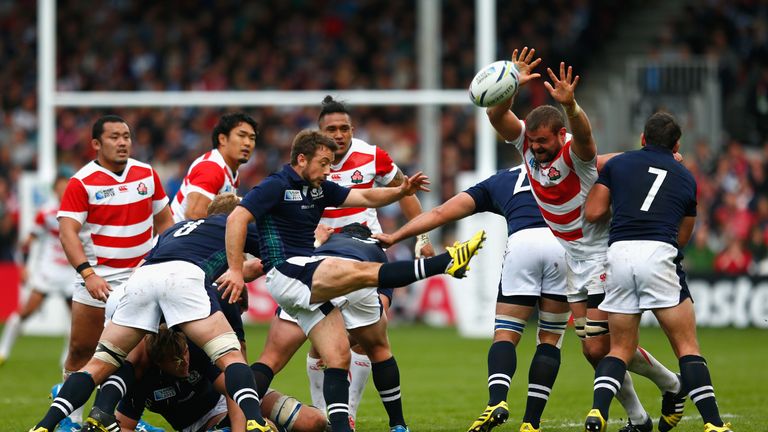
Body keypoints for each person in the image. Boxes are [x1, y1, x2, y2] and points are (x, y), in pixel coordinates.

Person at [221, 129, 486, 432]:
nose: (328, 170)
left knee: (338, 356)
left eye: (331, 163)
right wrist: (234, 270)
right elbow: (236, 218)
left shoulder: (320, 187)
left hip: (306, 277)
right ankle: (447, 262)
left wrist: (401, 191)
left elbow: (365, 195)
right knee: (362, 274)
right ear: (302, 159)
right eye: (323, 163)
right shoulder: (276, 185)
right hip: (287, 271)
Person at [485, 48, 683, 432]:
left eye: (544, 141)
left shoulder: (578, 155)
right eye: (534, 141)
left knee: (603, 347)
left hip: (604, 258)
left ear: (562, 135)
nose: (538, 148)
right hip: (573, 259)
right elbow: (496, 115)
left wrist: (572, 106)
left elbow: (587, 136)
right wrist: (508, 84)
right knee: (596, 351)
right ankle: (649, 408)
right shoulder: (527, 145)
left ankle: (670, 387)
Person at [30, 197, 273, 432]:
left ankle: (48, 424)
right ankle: (254, 422)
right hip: (183, 278)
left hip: (137, 282)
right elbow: (273, 256)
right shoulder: (234, 223)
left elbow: (148, 263)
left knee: (104, 363)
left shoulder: (177, 229)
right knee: (231, 357)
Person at [375, 164, 570, 432]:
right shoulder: (573, 166)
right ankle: (531, 423)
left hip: (522, 245)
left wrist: (396, 236)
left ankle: (497, 401)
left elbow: (441, 212)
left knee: (506, 334)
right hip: (562, 244)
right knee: (549, 338)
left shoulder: (504, 179)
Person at [583, 112, 733, 432]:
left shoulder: (618, 165)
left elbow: (593, 212)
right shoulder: (686, 178)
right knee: (687, 348)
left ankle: (597, 412)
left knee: (620, 348)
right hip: (659, 252)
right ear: (677, 144)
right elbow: (683, 236)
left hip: (619, 254)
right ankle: (714, 424)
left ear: (642, 139)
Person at [305, 95, 435, 424]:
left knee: (370, 337)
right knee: (322, 346)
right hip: (323, 261)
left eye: (344, 128)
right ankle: (323, 411)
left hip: (369, 256)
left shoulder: (372, 156)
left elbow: (405, 193)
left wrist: (421, 238)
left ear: (353, 129)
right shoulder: (307, 162)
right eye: (331, 129)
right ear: (319, 132)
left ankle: (347, 414)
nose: (338, 134)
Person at [55, 114, 174, 431]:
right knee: (82, 350)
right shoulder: (81, 182)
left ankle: (117, 419)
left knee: (133, 358)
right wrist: (88, 273)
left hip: (140, 280)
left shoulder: (146, 174)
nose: (122, 142)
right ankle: (71, 418)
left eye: (126, 136)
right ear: (96, 143)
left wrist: (170, 259)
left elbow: (165, 222)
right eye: (114, 137)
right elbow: (68, 232)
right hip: (98, 280)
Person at [247, 222, 414, 432]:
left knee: (270, 359)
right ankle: (397, 425)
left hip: (309, 277)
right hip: (354, 277)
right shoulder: (377, 250)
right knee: (378, 349)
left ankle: (233, 419)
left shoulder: (323, 242)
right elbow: (382, 305)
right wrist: (344, 336)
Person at [86, 325, 327, 432]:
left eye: (185, 355)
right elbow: (125, 426)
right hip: (203, 422)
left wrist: (242, 427)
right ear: (159, 362)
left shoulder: (194, 347)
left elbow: (233, 389)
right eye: (176, 361)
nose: (185, 363)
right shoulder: (142, 379)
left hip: (234, 399)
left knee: (313, 422)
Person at [0, 175, 76, 367]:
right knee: (26, 311)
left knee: (76, 319)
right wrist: (24, 266)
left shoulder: (80, 212)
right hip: (48, 271)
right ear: (54, 190)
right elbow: (27, 242)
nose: (62, 191)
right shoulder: (46, 213)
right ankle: (3, 350)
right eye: (59, 188)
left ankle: (65, 360)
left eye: (66, 188)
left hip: (70, 272)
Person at [170, 112, 258, 222]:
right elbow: (193, 214)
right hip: (178, 238)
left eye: (252, 138)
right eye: (241, 135)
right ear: (222, 139)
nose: (248, 143)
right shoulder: (211, 167)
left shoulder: (230, 172)